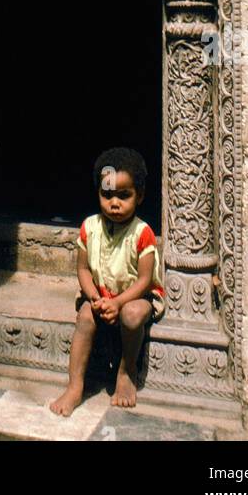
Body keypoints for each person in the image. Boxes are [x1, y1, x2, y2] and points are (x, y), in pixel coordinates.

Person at [49, 147, 165, 415]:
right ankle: (75, 386)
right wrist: (94, 298)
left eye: (124, 196)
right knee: (86, 317)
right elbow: (83, 270)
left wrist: (119, 302)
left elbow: (146, 280)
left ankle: (126, 371)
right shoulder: (89, 227)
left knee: (132, 315)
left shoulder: (142, 232)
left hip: (137, 297)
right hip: (99, 295)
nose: (115, 203)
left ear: (140, 196)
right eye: (107, 194)